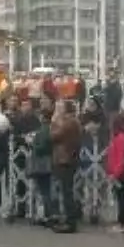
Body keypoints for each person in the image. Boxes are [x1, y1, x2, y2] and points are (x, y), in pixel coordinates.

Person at [49, 99, 83, 233]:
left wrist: (53, 122)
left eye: (59, 107)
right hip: (67, 158)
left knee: (66, 191)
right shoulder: (72, 121)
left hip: (65, 159)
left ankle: (70, 221)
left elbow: (53, 136)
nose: (56, 109)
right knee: (66, 190)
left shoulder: (68, 122)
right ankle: (69, 219)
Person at [105, 113, 124, 233]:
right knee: (121, 198)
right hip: (119, 172)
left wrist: (114, 174)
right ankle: (122, 222)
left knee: (122, 198)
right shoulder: (122, 137)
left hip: (121, 174)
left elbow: (121, 159)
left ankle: (123, 223)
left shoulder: (121, 138)